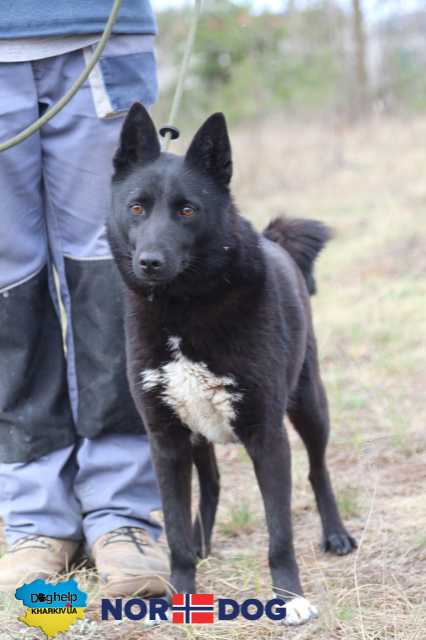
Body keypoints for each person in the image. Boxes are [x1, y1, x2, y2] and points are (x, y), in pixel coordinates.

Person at [0, 0, 168, 596]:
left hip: (96, 38)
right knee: (7, 294)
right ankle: (35, 519)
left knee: (113, 276)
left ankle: (124, 513)